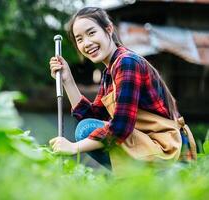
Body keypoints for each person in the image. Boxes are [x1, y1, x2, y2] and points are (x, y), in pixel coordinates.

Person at [48, 7, 196, 170]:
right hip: (147, 145)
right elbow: (92, 117)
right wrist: (67, 80)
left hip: (166, 150)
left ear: (109, 29)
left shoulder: (127, 63)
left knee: (85, 130)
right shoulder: (109, 73)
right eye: (80, 39)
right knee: (87, 127)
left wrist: (74, 148)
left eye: (91, 33)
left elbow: (120, 127)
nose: (87, 43)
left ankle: (150, 179)